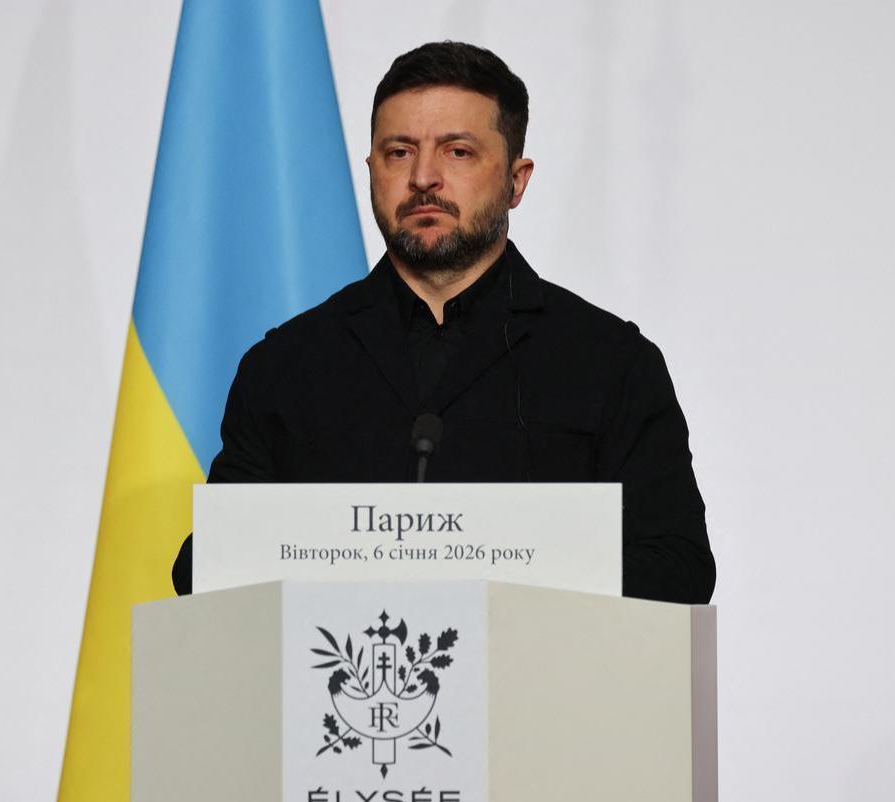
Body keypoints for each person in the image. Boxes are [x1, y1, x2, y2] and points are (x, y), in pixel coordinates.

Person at [173, 41, 715, 604]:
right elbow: (205, 571)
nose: (424, 177)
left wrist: (499, 575)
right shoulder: (284, 366)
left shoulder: (610, 362)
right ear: (371, 173)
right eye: (399, 152)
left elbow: (679, 570)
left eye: (457, 152)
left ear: (516, 180)